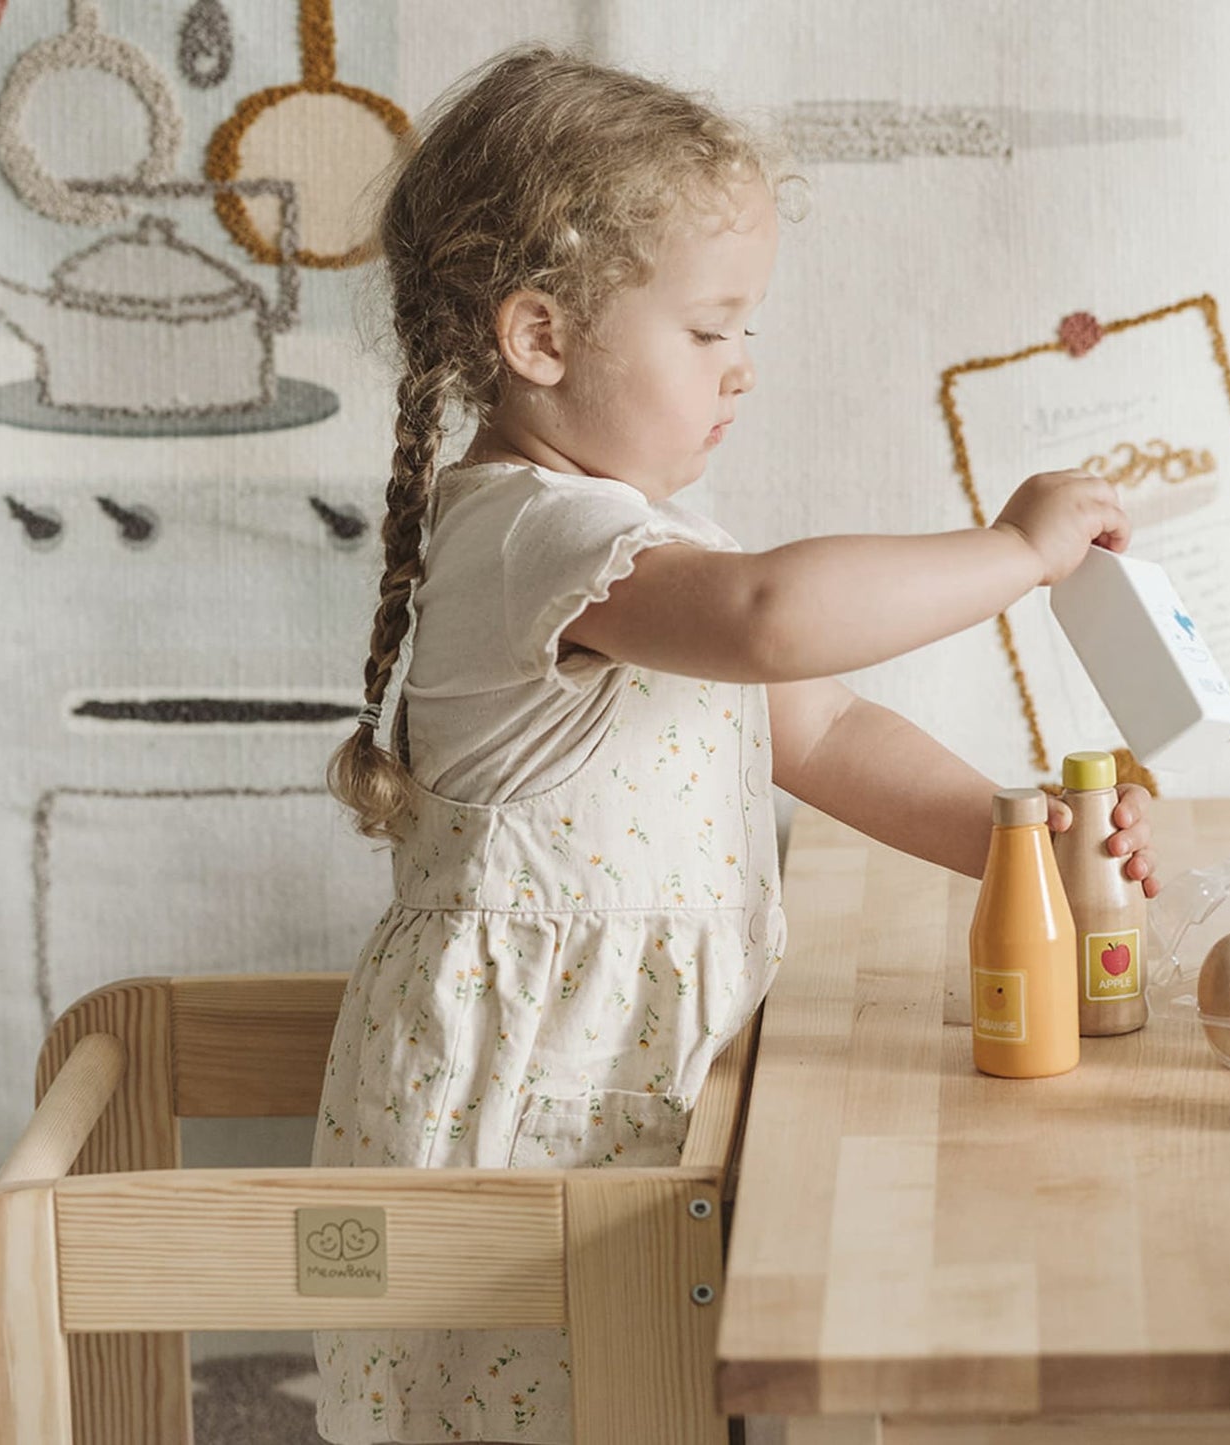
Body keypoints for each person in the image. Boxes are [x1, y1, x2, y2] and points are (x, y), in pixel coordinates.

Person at [311, 44, 1159, 1445]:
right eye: (710, 331)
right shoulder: (539, 535)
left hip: (639, 1082)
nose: (742, 371)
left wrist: (1019, 839)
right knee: (551, 1402)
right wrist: (1010, 551)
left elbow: (818, 729)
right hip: (536, 1101)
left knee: (676, 1386)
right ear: (539, 338)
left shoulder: (637, 537)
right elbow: (779, 623)